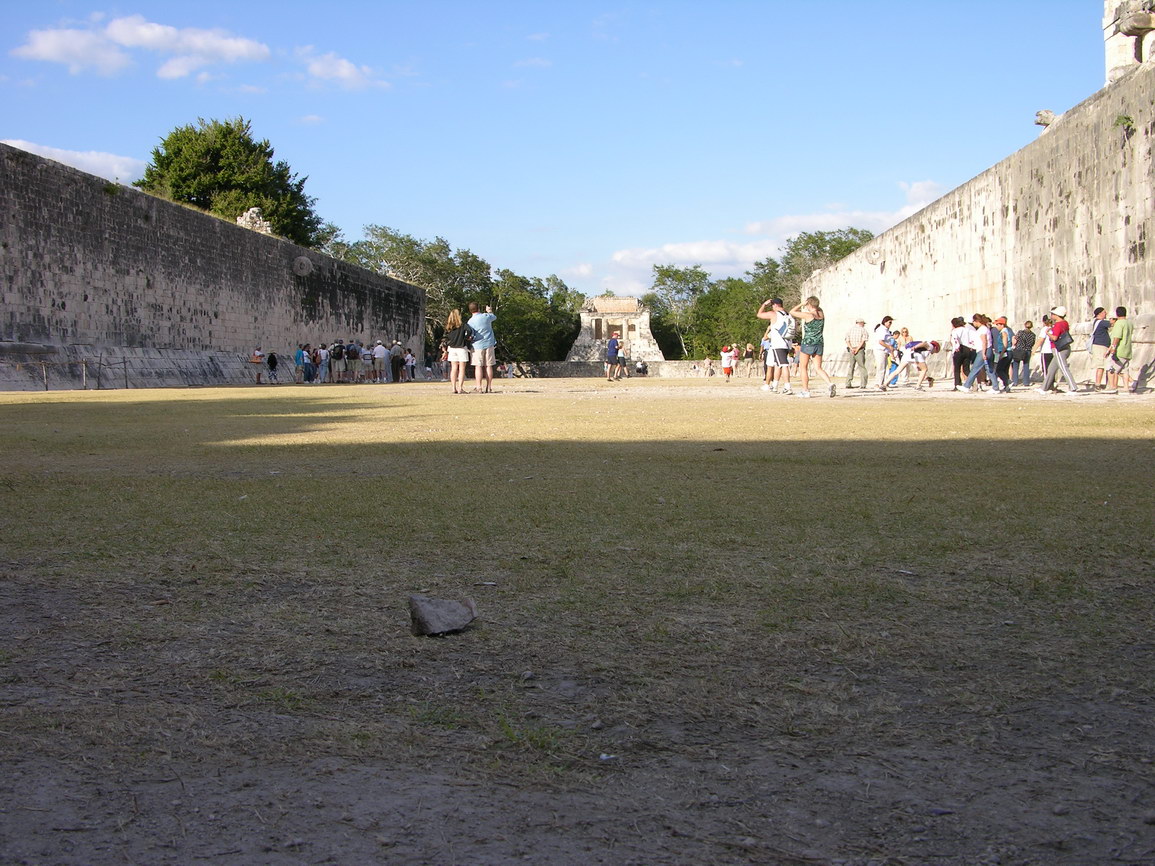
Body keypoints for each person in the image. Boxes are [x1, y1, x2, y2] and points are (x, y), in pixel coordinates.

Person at [789, 297, 836, 397]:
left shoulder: (808, 315)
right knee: (818, 367)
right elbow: (818, 309)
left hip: (808, 342)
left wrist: (801, 304)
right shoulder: (821, 314)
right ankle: (829, 383)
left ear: (808, 304)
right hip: (819, 343)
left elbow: (792, 312)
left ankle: (805, 390)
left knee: (803, 367)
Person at [1037, 306, 1079, 394]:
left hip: (1058, 349)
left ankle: (1073, 387)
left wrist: (1048, 333)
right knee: (1051, 369)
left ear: (1057, 315)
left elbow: (1055, 338)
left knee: (1064, 368)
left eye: (1052, 314)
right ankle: (1044, 388)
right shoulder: (1065, 323)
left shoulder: (1057, 324)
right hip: (1065, 347)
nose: (1051, 315)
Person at [756, 298, 793, 394]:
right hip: (787, 342)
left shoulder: (774, 314)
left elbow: (759, 314)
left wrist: (764, 304)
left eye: (772, 305)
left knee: (784, 365)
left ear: (775, 305)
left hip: (778, 343)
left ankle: (787, 386)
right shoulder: (788, 314)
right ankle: (775, 385)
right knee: (778, 364)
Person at [467, 302, 498, 393]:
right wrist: (489, 311)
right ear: (479, 308)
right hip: (489, 343)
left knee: (478, 366)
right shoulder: (485, 316)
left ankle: (479, 387)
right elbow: (494, 317)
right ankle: (489, 387)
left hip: (477, 345)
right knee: (488, 365)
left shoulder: (470, 321)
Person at [961, 315, 993, 393]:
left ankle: (966, 386)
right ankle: (996, 387)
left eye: (974, 321)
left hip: (983, 350)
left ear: (977, 321)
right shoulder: (983, 329)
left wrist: (983, 353)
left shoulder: (982, 329)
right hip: (983, 350)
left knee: (975, 368)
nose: (973, 323)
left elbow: (984, 341)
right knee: (989, 370)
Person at [1105, 305, 1134, 393]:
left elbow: (1117, 337)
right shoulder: (1129, 323)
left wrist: (1112, 348)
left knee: (1112, 368)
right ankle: (1126, 387)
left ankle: (1112, 387)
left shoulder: (1119, 323)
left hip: (1120, 349)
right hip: (1128, 349)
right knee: (1125, 369)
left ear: (1117, 314)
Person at [444, 309, 473, 394]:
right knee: (462, 368)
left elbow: (446, 337)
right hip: (461, 347)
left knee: (453, 368)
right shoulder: (463, 325)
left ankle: (453, 387)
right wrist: (466, 337)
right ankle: (460, 388)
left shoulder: (449, 327)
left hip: (452, 348)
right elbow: (469, 331)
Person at [1089, 307, 1112, 390]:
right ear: (1099, 314)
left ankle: (1101, 384)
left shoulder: (1097, 322)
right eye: (1104, 312)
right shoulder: (1101, 322)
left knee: (1103, 365)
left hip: (1101, 346)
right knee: (1100, 366)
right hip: (1100, 346)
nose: (1105, 314)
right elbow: (1111, 323)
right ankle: (1097, 384)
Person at [844, 318, 869, 389]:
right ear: (861, 323)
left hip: (851, 349)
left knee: (851, 366)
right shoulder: (863, 330)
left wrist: (851, 348)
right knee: (862, 367)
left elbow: (847, 340)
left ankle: (848, 383)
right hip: (859, 350)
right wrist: (857, 349)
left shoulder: (850, 330)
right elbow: (863, 341)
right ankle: (863, 384)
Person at [991, 316, 1014, 394]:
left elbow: (1005, 344)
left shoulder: (1003, 332)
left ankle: (1008, 381)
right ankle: (1007, 387)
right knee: (1005, 370)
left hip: (1005, 352)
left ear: (1002, 325)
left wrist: (1001, 354)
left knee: (999, 369)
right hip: (1009, 352)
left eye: (997, 325)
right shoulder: (1007, 330)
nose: (996, 326)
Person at [949, 316, 972, 390]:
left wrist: (957, 346)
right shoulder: (966, 330)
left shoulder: (955, 331)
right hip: (967, 349)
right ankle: (973, 381)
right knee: (966, 368)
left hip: (959, 349)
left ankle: (957, 384)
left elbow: (955, 339)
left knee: (957, 368)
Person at [873, 316, 896, 390]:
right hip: (880, 350)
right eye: (889, 322)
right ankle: (877, 384)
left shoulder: (886, 330)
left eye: (891, 322)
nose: (890, 324)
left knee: (884, 368)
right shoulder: (882, 329)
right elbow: (880, 341)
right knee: (881, 368)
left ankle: (883, 384)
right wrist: (889, 347)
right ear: (885, 322)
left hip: (885, 351)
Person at [1011, 321, 1035, 388]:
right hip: (1027, 350)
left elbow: (1015, 340)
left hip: (1019, 350)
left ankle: (1015, 381)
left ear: (1024, 325)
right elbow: (1032, 343)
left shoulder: (1020, 333)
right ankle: (1026, 382)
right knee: (1026, 366)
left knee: (1015, 366)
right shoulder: (1033, 335)